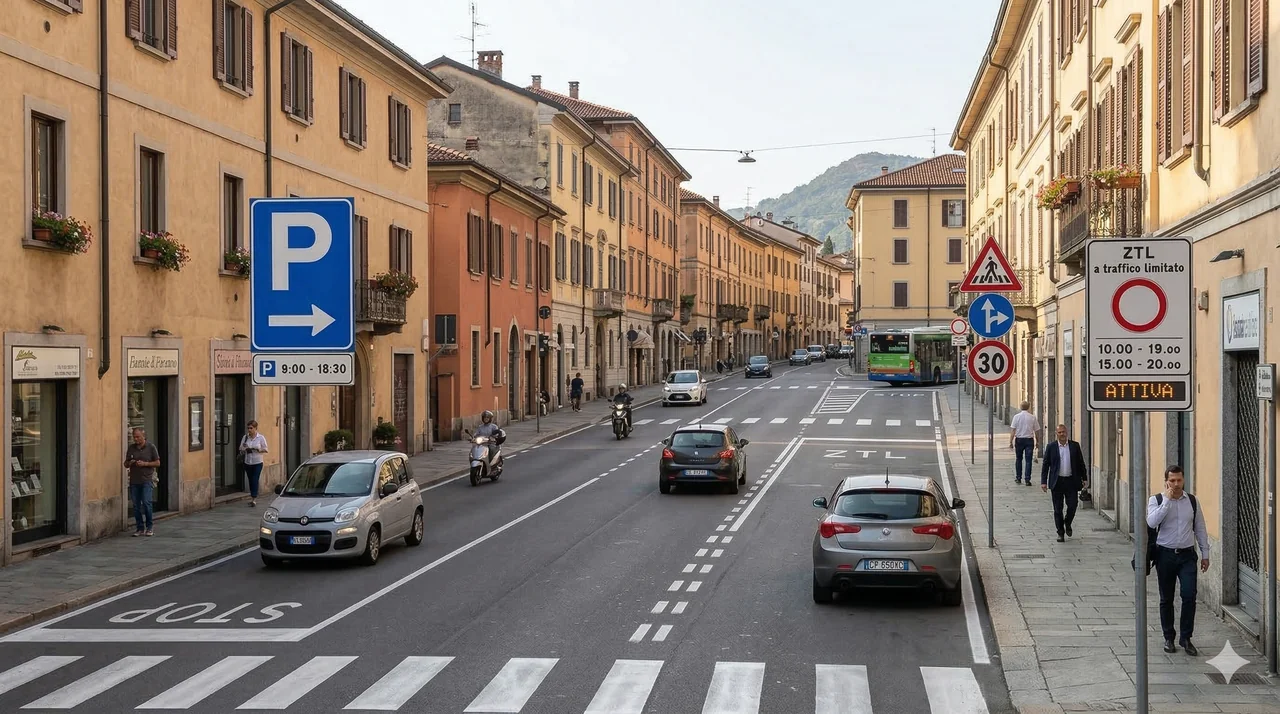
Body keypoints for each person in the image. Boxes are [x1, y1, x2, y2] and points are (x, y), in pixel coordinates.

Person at [1146, 465, 1209, 656]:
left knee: (1189, 595)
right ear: (1166, 481)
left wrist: (1205, 554)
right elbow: (1151, 522)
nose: (1175, 484)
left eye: (1178, 480)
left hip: (1187, 555)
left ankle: (1186, 638)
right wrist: (1166, 500)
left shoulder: (1192, 501)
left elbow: (1200, 528)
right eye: (1172, 480)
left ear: (1184, 480)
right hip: (1165, 555)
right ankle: (1168, 637)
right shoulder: (1156, 500)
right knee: (1166, 598)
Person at [1040, 424, 1088, 542]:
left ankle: (1067, 522)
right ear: (1056, 434)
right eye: (1060, 432)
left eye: (1064, 432)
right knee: (1057, 509)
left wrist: (1085, 478)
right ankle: (1060, 532)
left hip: (1071, 480)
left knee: (1073, 505)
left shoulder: (1074, 446)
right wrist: (1043, 482)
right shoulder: (1051, 447)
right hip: (1057, 482)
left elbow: (1081, 463)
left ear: (1067, 432)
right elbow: (1045, 465)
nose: (1062, 434)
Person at [124, 427, 161, 537]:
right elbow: (125, 464)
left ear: (143, 436)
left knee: (146, 503)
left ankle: (149, 527)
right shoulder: (131, 448)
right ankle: (139, 528)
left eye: (138, 437)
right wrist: (130, 463)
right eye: (134, 437)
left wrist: (145, 464)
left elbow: (158, 463)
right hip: (134, 480)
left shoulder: (151, 447)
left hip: (146, 479)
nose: (136, 439)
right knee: (136, 506)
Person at [1009, 401, 1042, 485]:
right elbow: (1036, 431)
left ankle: (1018, 478)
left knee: (1018, 459)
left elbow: (1013, 430)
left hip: (1019, 440)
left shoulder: (1016, 417)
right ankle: (1027, 480)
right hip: (1029, 440)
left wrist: (1010, 442)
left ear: (1020, 407)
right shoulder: (1032, 417)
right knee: (1028, 460)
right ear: (1029, 407)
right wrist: (1037, 441)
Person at [238, 420, 268, 507]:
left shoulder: (261, 438)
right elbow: (241, 448)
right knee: (251, 480)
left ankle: (254, 499)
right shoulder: (245, 437)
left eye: (251, 428)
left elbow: (266, 449)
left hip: (257, 462)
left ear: (255, 428)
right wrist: (245, 449)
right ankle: (252, 496)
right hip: (248, 462)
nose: (249, 430)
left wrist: (258, 450)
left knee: (255, 479)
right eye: (248, 428)